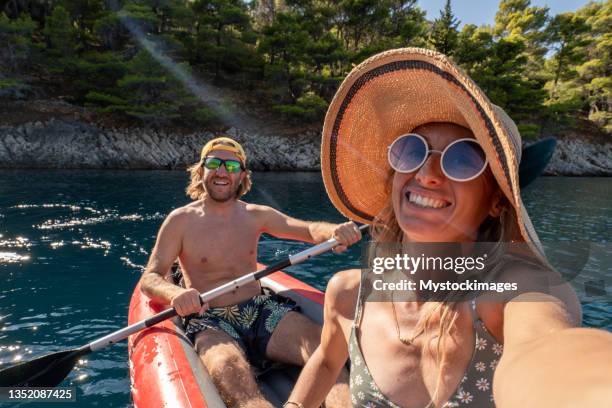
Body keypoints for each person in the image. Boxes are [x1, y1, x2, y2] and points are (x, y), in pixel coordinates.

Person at [287, 48, 612, 407]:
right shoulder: (349, 293)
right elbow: (329, 358)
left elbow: (548, 351)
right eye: (413, 150)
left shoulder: (511, 295)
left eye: (464, 159)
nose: (426, 173)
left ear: (496, 200)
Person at [140, 136, 361, 408]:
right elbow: (150, 277)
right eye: (214, 163)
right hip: (209, 318)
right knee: (229, 370)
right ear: (201, 170)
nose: (222, 172)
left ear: (242, 175)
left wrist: (333, 232)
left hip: (260, 310)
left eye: (231, 166)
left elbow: (308, 230)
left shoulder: (256, 215)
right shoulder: (179, 221)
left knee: (325, 349)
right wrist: (176, 292)